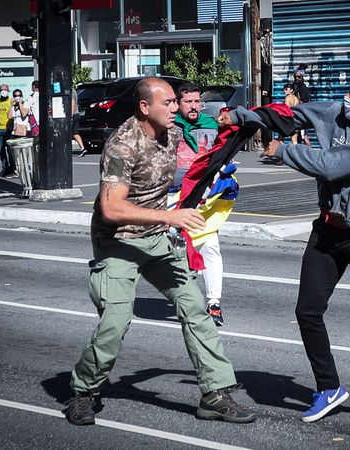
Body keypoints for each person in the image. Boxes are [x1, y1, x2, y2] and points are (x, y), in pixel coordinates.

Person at [219, 66, 350, 428]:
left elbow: (331, 166)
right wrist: (237, 115)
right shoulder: (339, 112)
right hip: (327, 230)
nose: (347, 97)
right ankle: (328, 387)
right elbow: (290, 114)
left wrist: (283, 151)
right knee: (307, 312)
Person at [64, 77, 256, 426]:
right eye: (167, 103)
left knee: (196, 308)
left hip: (156, 238)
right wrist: (171, 216)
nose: (175, 107)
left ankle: (215, 393)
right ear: (144, 107)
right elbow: (111, 208)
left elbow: (200, 159)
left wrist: (237, 137)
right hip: (118, 241)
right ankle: (83, 391)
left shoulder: (173, 134)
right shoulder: (122, 145)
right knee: (115, 321)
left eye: (175, 103)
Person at [172, 83, 229, 326]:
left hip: (204, 195)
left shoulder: (211, 124)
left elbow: (224, 151)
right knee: (178, 248)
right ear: (178, 103)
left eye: (197, 102)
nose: (194, 106)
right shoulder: (169, 125)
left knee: (211, 246)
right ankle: (187, 296)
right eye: (189, 102)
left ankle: (214, 303)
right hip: (173, 196)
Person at [0, 84, 16, 177]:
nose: (3, 91)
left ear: (8, 90)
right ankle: (4, 168)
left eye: (5, 89)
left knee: (10, 151)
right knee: (1, 151)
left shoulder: (11, 100)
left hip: (9, 129)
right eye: (1, 89)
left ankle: (12, 169)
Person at [293, 66, 311, 146]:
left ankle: (312, 155)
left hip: (302, 114)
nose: (297, 78)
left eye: (299, 77)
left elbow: (302, 101)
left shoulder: (302, 87)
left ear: (302, 77)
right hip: (297, 114)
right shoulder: (295, 86)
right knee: (296, 137)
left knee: (304, 136)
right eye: (295, 77)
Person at [72, 87, 87, 157]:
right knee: (75, 133)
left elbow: (73, 102)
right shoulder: (74, 90)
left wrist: (70, 115)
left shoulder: (70, 91)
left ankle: (82, 148)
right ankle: (82, 148)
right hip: (76, 114)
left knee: (73, 133)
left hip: (73, 114)